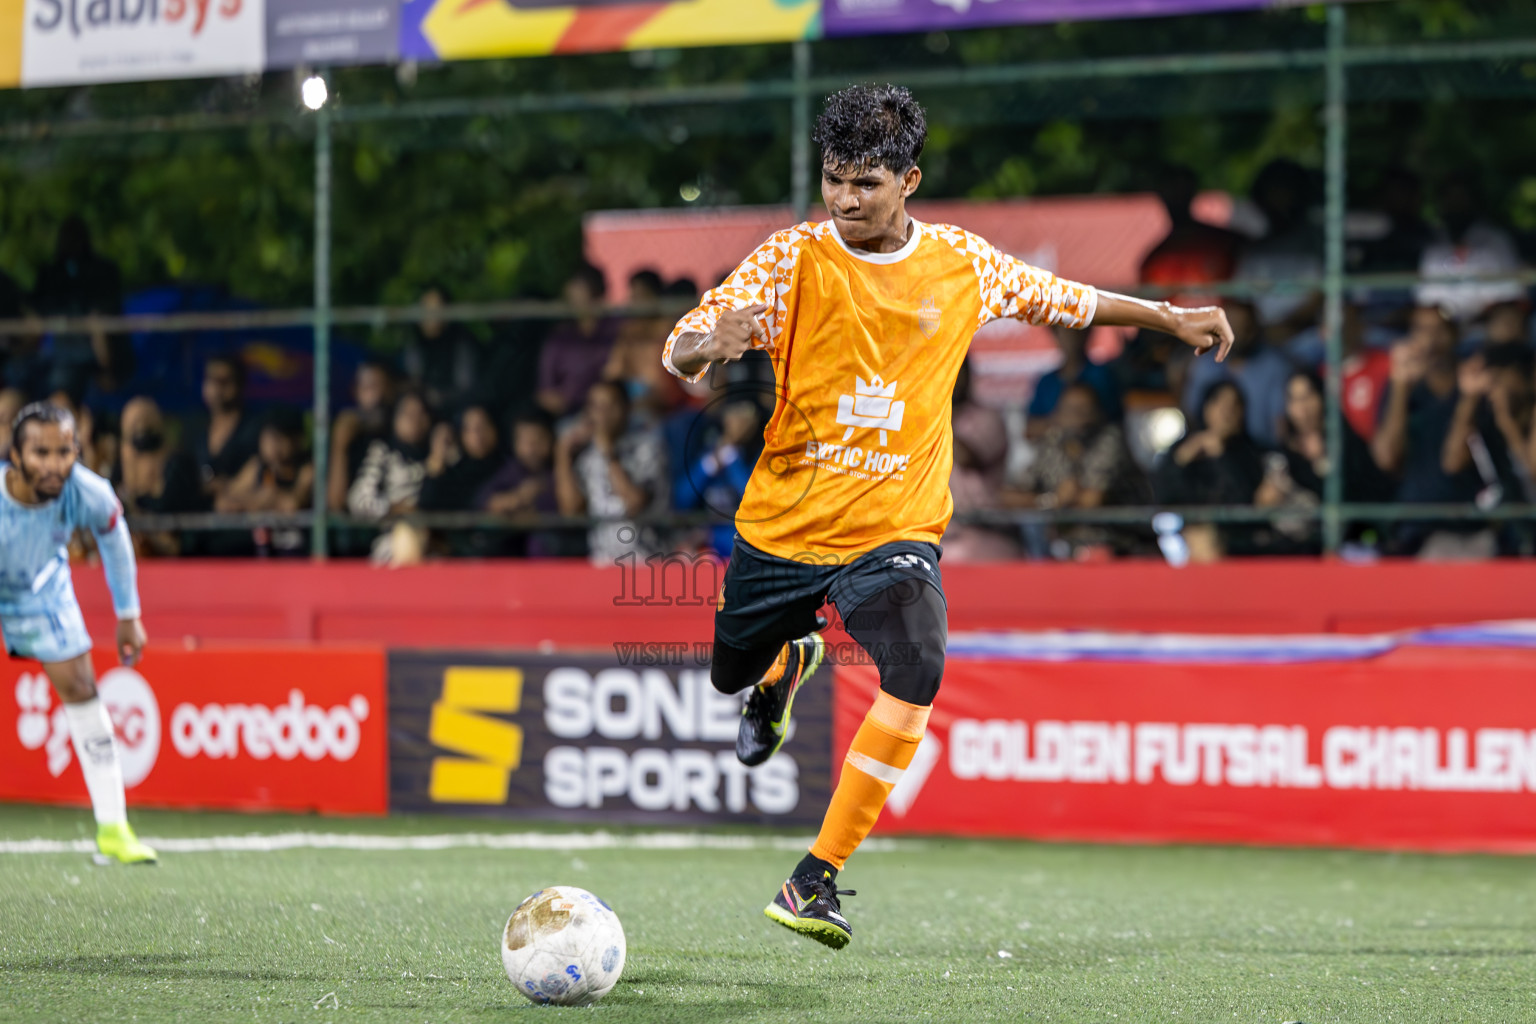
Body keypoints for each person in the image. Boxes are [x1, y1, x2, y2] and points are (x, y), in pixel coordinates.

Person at [661, 84, 1232, 949]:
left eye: (865, 183)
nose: (846, 200)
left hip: (894, 533)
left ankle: (814, 877)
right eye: (833, 180)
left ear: (909, 180)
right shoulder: (794, 261)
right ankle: (783, 670)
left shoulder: (963, 264)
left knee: (918, 663)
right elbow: (683, 344)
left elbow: (1067, 300)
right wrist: (709, 342)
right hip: (782, 530)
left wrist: (1167, 317)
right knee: (728, 675)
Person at [0, 402, 156, 864]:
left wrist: (128, 613)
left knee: (84, 688)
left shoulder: (87, 491)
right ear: (15, 454)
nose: (53, 464)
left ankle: (113, 829)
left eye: (64, 451)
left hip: (42, 591)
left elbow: (113, 534)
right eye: (40, 452)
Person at [1371, 306, 1515, 557]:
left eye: (1440, 330)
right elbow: (1386, 458)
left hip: (1472, 527)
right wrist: (1400, 387)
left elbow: (1454, 461)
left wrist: (1468, 400)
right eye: (1421, 330)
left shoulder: (1477, 385)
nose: (1430, 339)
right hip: (1415, 530)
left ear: (1455, 334)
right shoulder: (1400, 388)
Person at [1254, 371, 1392, 552]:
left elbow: (1362, 498)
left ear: (1322, 399)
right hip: (1295, 547)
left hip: (1351, 539)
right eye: (1294, 400)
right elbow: (1263, 504)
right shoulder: (1285, 452)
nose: (1302, 408)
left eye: (1308, 397)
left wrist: (1321, 463)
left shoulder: (1348, 444)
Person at [1007, 382, 1146, 558]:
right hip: (1064, 549)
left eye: (1084, 410)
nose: (1078, 417)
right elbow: (1009, 496)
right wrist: (1050, 500)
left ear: (1098, 413)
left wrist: (1058, 499)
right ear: (1057, 414)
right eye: (1070, 410)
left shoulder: (1110, 439)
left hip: (1118, 546)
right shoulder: (1053, 442)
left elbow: (1090, 500)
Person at [553, 379, 667, 564]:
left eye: (609, 405)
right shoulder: (588, 457)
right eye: (596, 406)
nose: (602, 414)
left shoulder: (648, 449)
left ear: (627, 408)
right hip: (602, 564)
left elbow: (635, 502)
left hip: (646, 562)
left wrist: (607, 451)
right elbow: (571, 510)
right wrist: (563, 452)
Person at [1154, 380, 1268, 560]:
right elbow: (1161, 496)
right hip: (1182, 536)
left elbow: (1245, 500)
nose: (1226, 412)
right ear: (1205, 408)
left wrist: (1221, 457)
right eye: (1219, 404)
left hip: (1234, 540)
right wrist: (1180, 462)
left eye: (1233, 406)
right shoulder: (1184, 449)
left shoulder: (1251, 454)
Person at [1181, 298, 1294, 448]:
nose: (1237, 333)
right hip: (1210, 447)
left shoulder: (1275, 367)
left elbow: (1280, 427)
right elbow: (1191, 413)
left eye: (1244, 326)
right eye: (1231, 325)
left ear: (1254, 329)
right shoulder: (1205, 364)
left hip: (1258, 450)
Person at [537, 263, 619, 420]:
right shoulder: (560, 338)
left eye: (582, 290)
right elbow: (545, 391)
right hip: (571, 416)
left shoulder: (618, 330)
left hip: (612, 414)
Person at [1026, 325, 1122, 436]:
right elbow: (1029, 429)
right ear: (1055, 334)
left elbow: (1116, 420)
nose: (1072, 338)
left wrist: (1086, 420)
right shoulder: (1045, 383)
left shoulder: (1103, 376)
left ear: (1088, 332)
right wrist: (1059, 421)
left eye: (1077, 331)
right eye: (1066, 332)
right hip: (1058, 449)